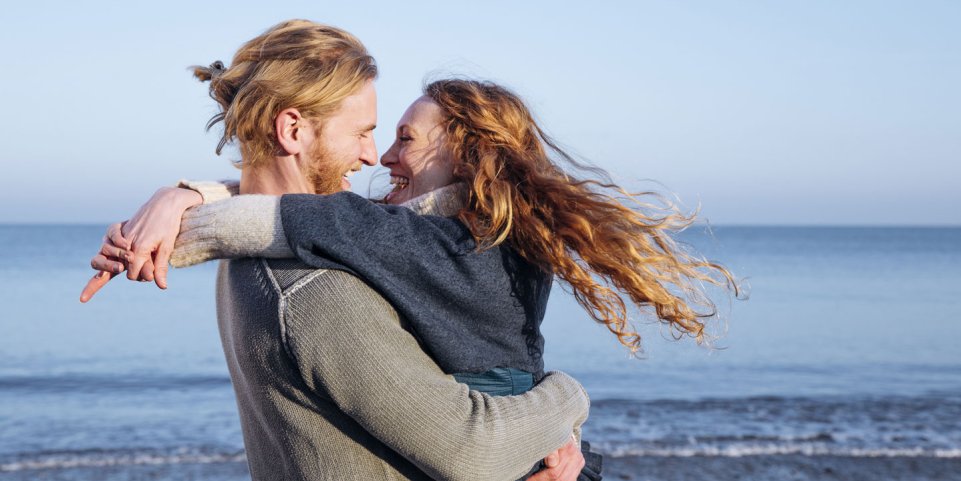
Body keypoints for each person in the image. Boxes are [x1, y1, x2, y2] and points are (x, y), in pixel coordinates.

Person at [82, 20, 591, 481]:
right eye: (364, 133)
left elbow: (297, 217)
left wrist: (183, 200)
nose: (373, 156)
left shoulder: (255, 260)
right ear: (293, 129)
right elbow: (473, 453)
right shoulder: (318, 291)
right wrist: (568, 397)